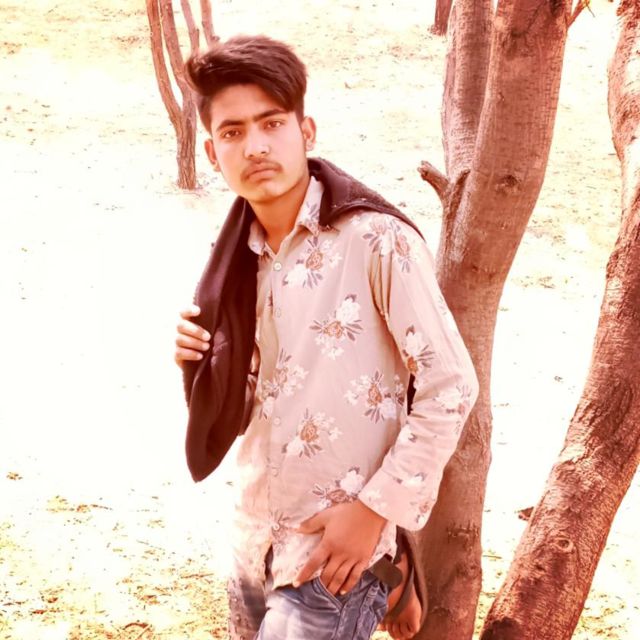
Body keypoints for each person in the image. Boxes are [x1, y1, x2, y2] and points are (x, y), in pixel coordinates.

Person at [173, 35, 479, 640]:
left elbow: (450, 386)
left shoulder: (377, 241)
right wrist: (203, 361)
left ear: (305, 131)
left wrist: (373, 514)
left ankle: (387, 567)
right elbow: (256, 402)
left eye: (271, 123)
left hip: (336, 553)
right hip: (253, 533)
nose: (255, 146)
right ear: (212, 152)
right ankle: (395, 572)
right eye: (232, 132)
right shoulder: (236, 257)